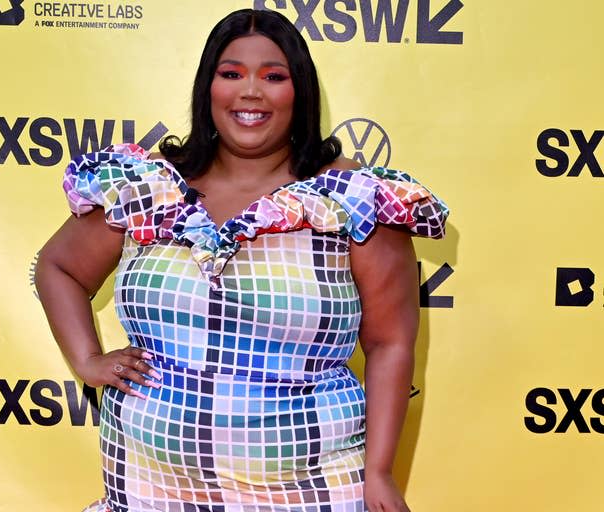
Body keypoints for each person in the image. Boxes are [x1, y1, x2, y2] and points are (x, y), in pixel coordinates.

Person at [35, 8, 448, 512]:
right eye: (231, 74)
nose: (250, 92)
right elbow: (58, 267)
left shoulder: (353, 198)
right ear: (208, 87)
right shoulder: (149, 185)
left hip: (309, 487)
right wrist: (86, 358)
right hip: (151, 483)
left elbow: (390, 343)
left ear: (300, 92)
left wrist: (379, 473)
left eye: (273, 76)